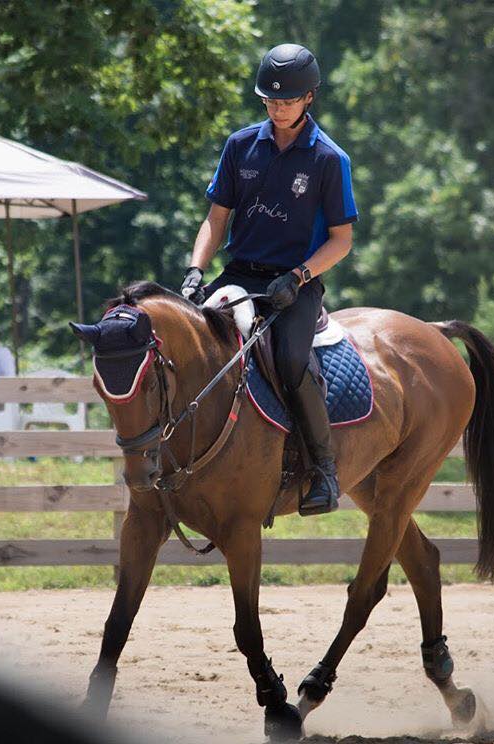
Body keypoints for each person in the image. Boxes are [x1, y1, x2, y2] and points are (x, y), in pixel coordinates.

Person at [181, 43, 358, 516]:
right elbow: (216, 220)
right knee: (189, 347)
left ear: (309, 98)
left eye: (288, 100)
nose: (278, 107)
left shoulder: (328, 159)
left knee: (291, 359)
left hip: (294, 283)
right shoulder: (240, 146)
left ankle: (322, 469)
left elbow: (342, 240)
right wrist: (197, 269)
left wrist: (299, 276)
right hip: (238, 274)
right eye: (271, 100)